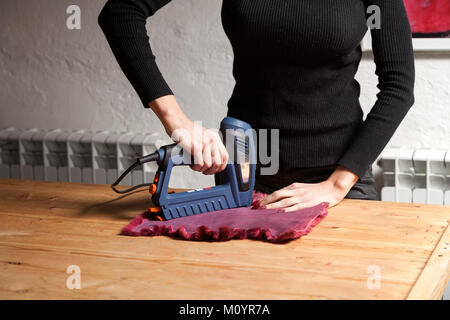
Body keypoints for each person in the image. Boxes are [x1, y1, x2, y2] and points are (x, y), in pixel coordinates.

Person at [98, 0, 415, 211]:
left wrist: (335, 185)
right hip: (245, 177)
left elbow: (398, 87)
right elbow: (121, 12)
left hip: (339, 182)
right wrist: (178, 122)